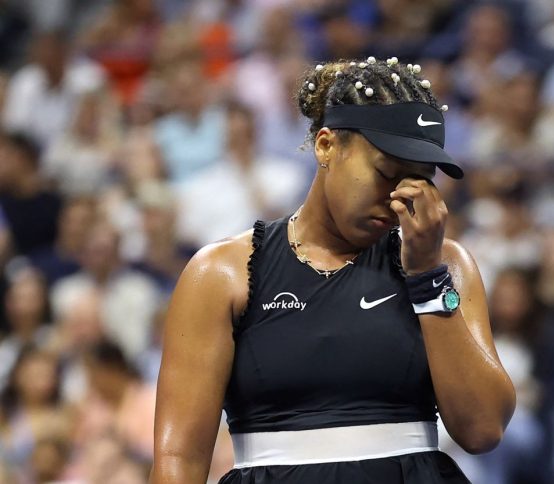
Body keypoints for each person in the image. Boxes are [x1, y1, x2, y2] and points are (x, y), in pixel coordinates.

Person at [151, 57, 516, 483]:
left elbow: (483, 428)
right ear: (326, 146)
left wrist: (425, 277)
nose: (398, 200)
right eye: (385, 173)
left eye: (418, 181)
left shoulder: (446, 264)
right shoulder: (219, 274)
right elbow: (179, 458)